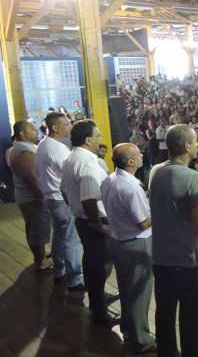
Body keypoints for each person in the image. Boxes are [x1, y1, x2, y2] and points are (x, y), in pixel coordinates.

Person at [148, 124, 198, 357]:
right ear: (186, 146)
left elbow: (170, 207)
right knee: (192, 315)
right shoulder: (195, 178)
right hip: (188, 259)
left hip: (160, 256)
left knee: (165, 312)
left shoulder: (155, 171)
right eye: (196, 142)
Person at [61, 120, 120, 326]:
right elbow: (89, 200)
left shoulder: (71, 158)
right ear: (88, 140)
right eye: (98, 135)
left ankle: (99, 297)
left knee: (91, 262)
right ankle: (100, 310)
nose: (100, 138)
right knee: (100, 267)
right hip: (94, 222)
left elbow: (64, 190)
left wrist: (74, 208)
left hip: (82, 220)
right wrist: (98, 224)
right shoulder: (87, 163)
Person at [101, 143, 155, 355]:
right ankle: (141, 340)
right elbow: (143, 222)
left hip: (117, 240)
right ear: (130, 161)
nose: (142, 155)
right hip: (136, 244)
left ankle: (128, 330)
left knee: (126, 289)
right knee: (140, 294)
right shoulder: (132, 188)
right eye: (138, 153)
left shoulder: (110, 180)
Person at [36, 112, 84, 290]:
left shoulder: (43, 144)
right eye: (66, 124)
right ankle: (75, 280)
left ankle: (59, 270)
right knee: (72, 239)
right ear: (55, 127)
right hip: (62, 198)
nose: (70, 126)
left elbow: (38, 173)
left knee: (59, 235)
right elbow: (71, 172)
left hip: (52, 197)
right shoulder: (57, 148)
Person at [11, 120, 53, 271]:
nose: (36, 129)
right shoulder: (23, 149)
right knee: (36, 228)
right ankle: (40, 261)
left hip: (33, 196)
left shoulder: (26, 146)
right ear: (22, 133)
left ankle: (41, 254)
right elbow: (29, 176)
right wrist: (40, 195)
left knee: (39, 227)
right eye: (31, 128)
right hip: (32, 197)